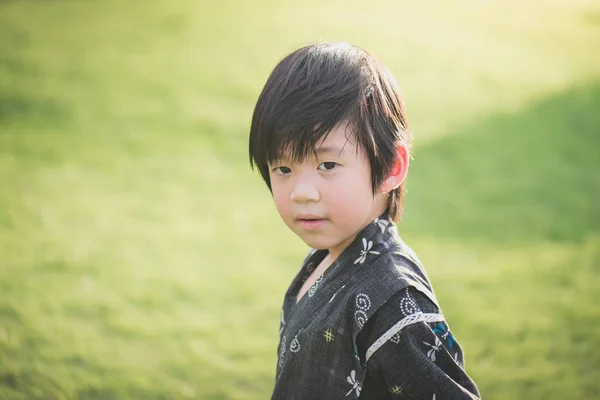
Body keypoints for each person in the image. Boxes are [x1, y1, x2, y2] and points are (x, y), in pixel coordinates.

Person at [248, 42, 480, 399]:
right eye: (283, 168)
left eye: (327, 165)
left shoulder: (394, 300)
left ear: (390, 167)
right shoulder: (329, 255)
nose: (301, 192)